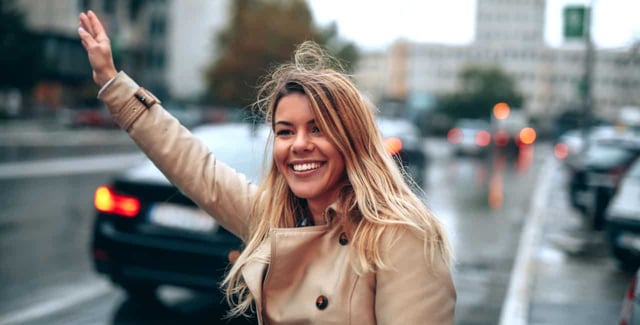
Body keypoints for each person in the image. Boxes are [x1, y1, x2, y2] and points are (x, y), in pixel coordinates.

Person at [78, 10, 456, 324]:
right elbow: (192, 164)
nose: (299, 145)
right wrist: (113, 83)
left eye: (318, 128)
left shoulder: (402, 237)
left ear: (352, 139)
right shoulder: (277, 219)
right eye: (286, 131)